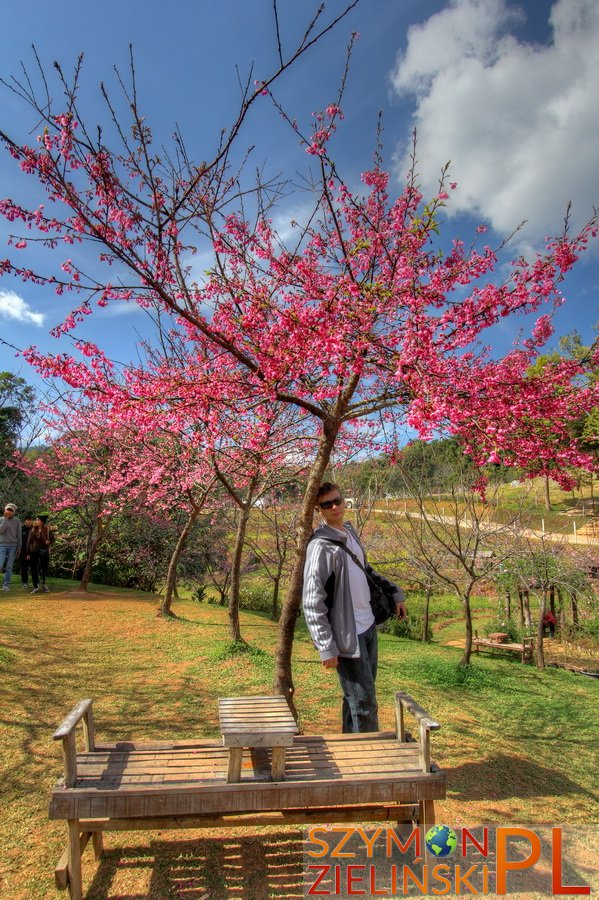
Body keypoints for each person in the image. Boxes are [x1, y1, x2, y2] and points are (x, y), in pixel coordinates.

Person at [302, 482, 407, 733]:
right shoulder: (320, 547)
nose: (335, 507)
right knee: (365, 703)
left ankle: (352, 748)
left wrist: (395, 592)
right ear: (319, 509)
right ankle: (369, 762)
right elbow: (312, 600)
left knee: (357, 700)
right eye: (327, 504)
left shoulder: (349, 532)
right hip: (348, 636)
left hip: (367, 626)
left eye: (338, 500)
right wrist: (326, 646)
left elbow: (366, 570)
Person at [0, 503, 22, 592]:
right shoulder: (1, 519)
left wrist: (19, 548)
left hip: (13, 546)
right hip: (2, 545)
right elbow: (1, 531)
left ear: (14, 512)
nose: (9, 511)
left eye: (11, 510)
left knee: (9, 567)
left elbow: (19, 535)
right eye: (8, 509)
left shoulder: (17, 521)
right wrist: (5, 519)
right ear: (5, 510)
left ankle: (6, 585)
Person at [28, 516, 51, 594]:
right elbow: (29, 541)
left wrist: (49, 541)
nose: (36, 521)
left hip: (44, 551)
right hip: (33, 551)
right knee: (34, 568)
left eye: (38, 520)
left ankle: (43, 584)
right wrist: (27, 553)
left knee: (43, 568)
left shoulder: (47, 529)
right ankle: (35, 586)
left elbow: (52, 539)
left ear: (42, 522)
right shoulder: (33, 529)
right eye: (36, 519)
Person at [20, 514, 33, 588]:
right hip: (23, 551)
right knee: (24, 568)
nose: (28, 522)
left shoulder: (34, 529)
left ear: (31, 521)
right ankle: (24, 583)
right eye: (27, 520)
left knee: (34, 567)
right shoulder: (21, 529)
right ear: (25, 521)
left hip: (32, 551)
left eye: (30, 520)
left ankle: (36, 582)